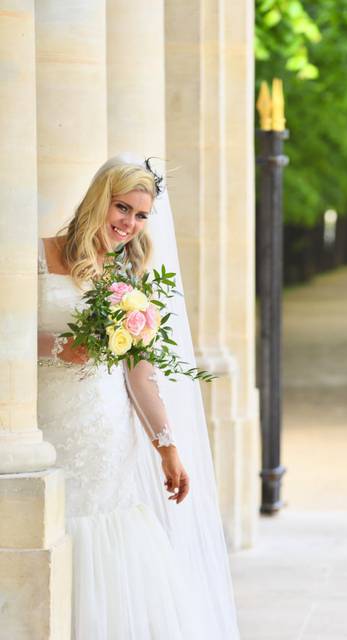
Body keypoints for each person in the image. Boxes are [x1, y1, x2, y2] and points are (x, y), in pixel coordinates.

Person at [37, 155, 239, 637]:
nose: (129, 223)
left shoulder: (131, 274)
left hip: (106, 432)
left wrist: (168, 447)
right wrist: (61, 347)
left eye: (141, 215)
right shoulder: (39, 254)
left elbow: (140, 372)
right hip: (44, 422)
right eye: (122, 208)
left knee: (103, 533)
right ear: (98, 200)